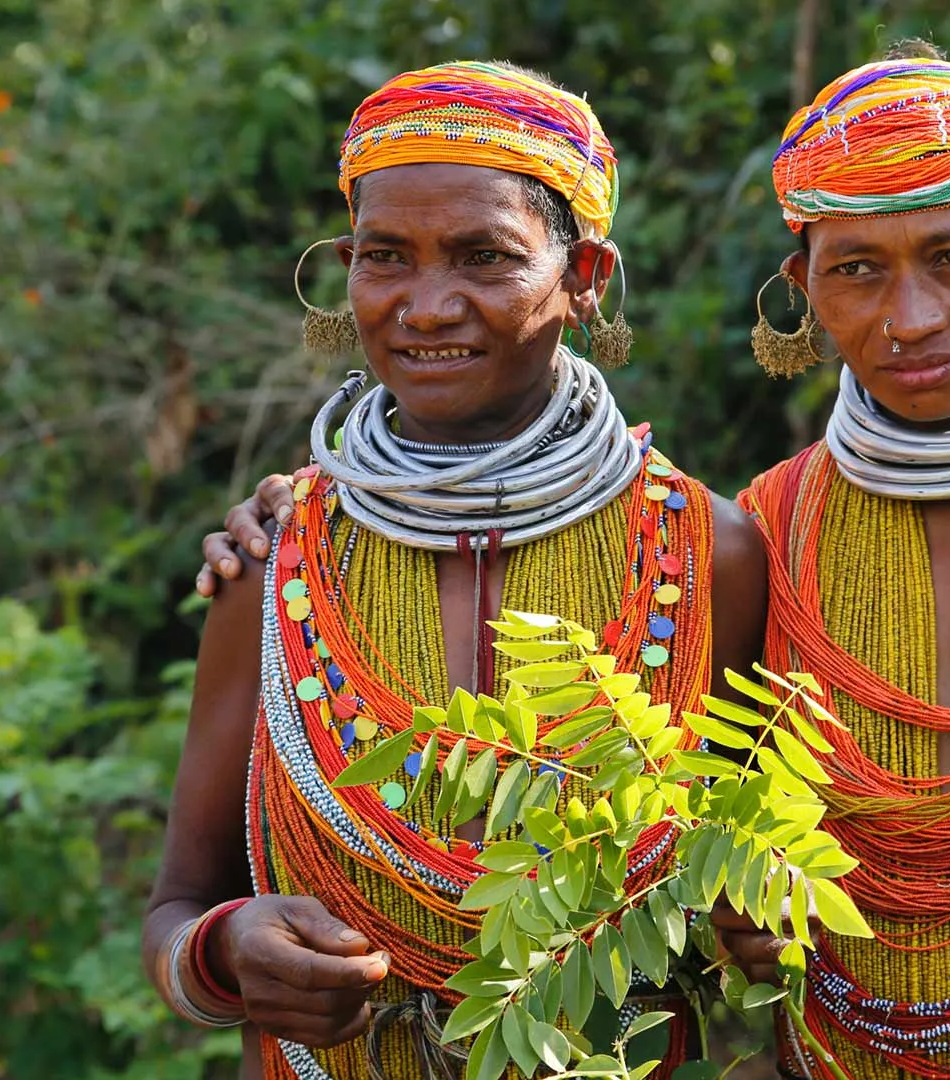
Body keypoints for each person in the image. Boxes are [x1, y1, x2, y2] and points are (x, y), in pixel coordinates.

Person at [204, 45, 950, 1080]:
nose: (909, 317)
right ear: (804, 286)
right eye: (857, 268)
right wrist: (735, 929)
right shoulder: (764, 540)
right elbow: (696, 866)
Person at [148, 60, 766, 1080]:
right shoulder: (277, 564)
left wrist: (756, 934)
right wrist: (222, 953)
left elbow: (746, 891)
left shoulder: (706, 557)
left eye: (485, 257)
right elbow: (176, 906)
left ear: (585, 278)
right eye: (387, 258)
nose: (428, 306)